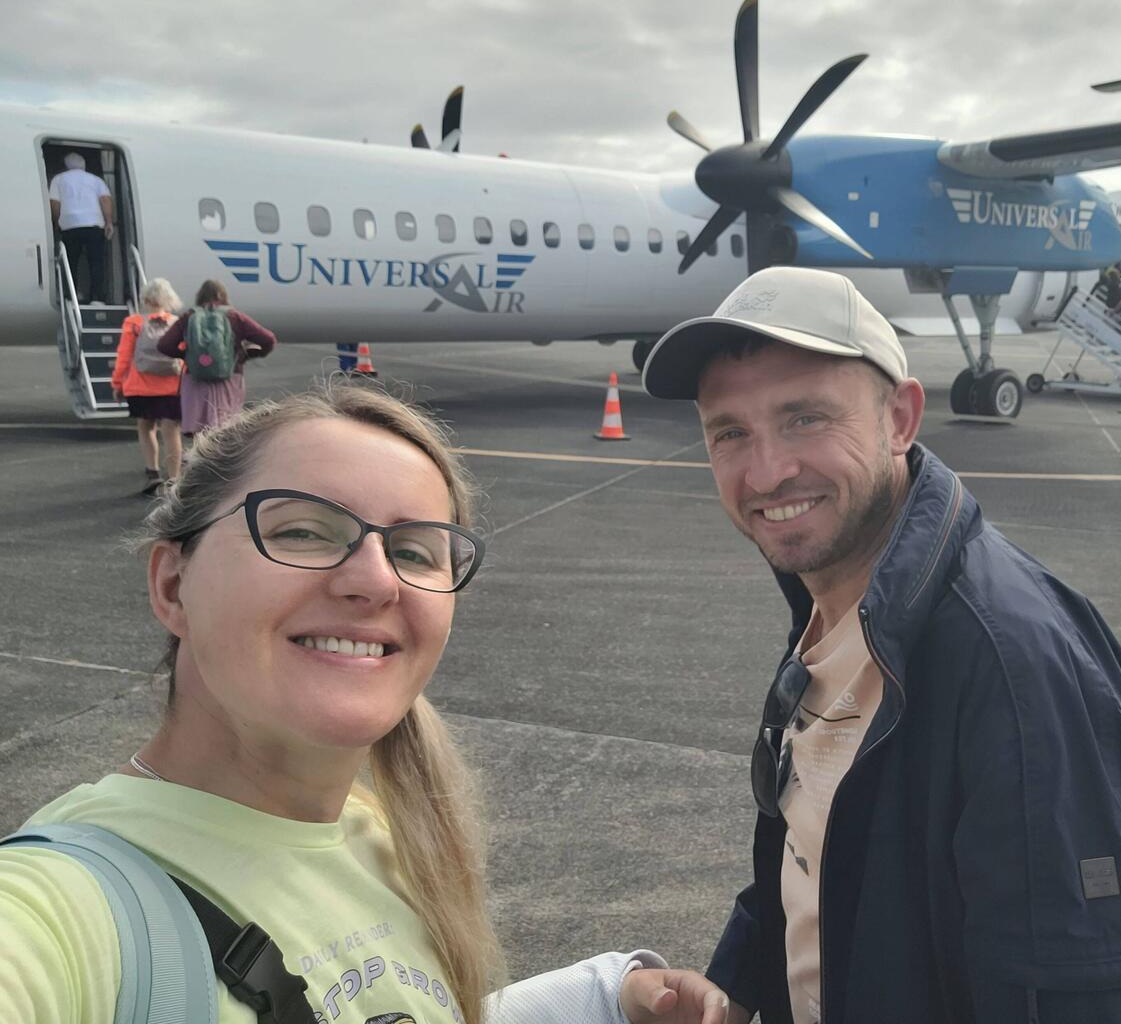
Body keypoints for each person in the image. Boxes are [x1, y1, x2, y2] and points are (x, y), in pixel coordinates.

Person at [0, 381, 730, 1024]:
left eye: (413, 551)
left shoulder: (384, 835)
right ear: (172, 585)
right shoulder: (62, 911)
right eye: (302, 532)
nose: (376, 581)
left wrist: (601, 999)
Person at [642, 268, 1121, 1024]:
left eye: (805, 418)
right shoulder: (837, 605)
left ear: (899, 420)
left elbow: (1088, 994)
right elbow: (813, 860)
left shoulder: (1012, 669)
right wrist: (736, 991)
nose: (766, 472)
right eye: (730, 432)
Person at [158, 279, 277, 437]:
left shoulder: (189, 316)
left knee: (199, 433)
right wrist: (246, 355)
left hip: (196, 377)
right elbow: (268, 339)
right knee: (227, 430)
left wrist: (188, 356)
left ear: (200, 295)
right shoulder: (234, 317)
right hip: (229, 377)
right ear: (222, 295)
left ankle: (199, 453)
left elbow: (164, 345)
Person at [110, 277, 184, 494]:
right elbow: (184, 355)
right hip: (171, 387)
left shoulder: (133, 323)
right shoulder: (178, 323)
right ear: (169, 299)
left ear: (145, 299)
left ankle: (153, 473)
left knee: (146, 427)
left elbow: (124, 356)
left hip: (140, 387)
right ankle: (174, 479)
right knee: (171, 432)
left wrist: (117, 383)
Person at [48, 151, 114, 303]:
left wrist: (55, 223)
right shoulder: (95, 180)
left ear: (65, 166)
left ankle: (71, 295)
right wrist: (109, 222)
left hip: (69, 225)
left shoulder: (58, 179)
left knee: (71, 262)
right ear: (84, 165)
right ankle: (97, 298)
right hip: (94, 225)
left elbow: (55, 204)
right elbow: (105, 200)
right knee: (96, 262)